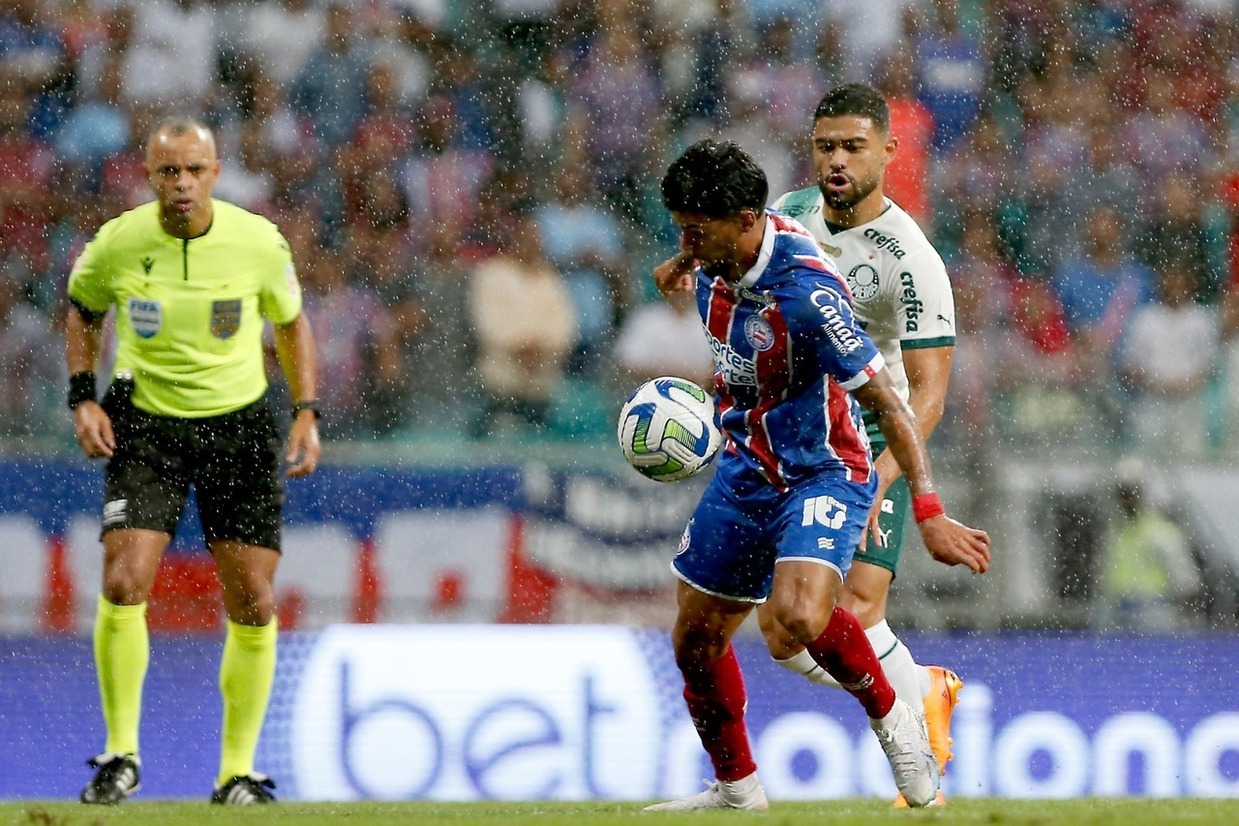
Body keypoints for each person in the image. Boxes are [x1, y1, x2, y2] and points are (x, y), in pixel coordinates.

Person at [645, 138, 990, 812]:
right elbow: (700, 249)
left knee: (800, 615)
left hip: (822, 467)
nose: (685, 240)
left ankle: (899, 720)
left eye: (695, 229)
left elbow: (889, 402)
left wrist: (927, 509)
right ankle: (736, 791)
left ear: (745, 221)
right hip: (747, 462)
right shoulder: (716, 251)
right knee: (694, 637)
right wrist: (683, 259)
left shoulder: (808, 296)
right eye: (679, 227)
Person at [65, 117, 321, 806]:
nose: (181, 184)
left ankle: (235, 773)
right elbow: (82, 311)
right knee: (123, 582)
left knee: (254, 601)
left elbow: (291, 322)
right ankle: (120, 756)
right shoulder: (118, 244)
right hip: (145, 424)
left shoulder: (257, 242)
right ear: (148, 176)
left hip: (238, 427)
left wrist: (305, 410)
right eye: (167, 172)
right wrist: (81, 397)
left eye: (194, 170)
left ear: (216, 172)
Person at [768, 82, 962, 806]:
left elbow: (928, 393)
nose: (837, 160)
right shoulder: (784, 217)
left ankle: (910, 736)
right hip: (794, 429)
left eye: (853, 146)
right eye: (825, 147)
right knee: (788, 635)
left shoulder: (909, 258)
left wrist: (884, 475)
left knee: (858, 601)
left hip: (872, 431)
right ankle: (921, 691)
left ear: (887, 149)